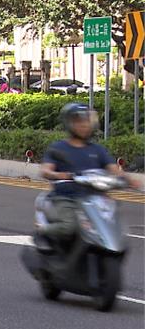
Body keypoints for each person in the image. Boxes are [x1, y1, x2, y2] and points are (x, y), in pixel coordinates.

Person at [39, 103, 122, 241]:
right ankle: (43, 229)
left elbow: (114, 170)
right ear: (69, 123)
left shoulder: (98, 150)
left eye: (87, 121)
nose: (84, 125)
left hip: (95, 200)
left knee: (113, 231)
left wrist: (128, 180)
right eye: (78, 121)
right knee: (69, 226)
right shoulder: (58, 148)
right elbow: (46, 170)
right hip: (67, 197)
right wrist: (59, 175)